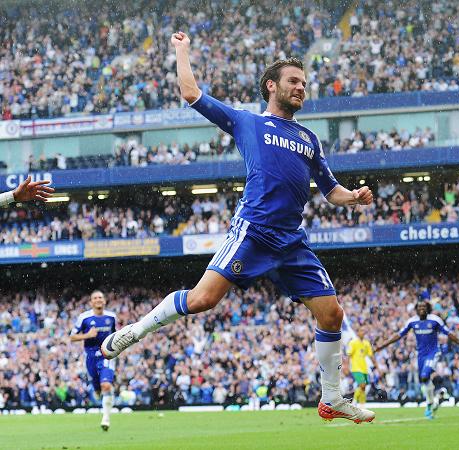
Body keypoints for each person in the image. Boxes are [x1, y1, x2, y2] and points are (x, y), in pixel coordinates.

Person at [101, 31, 375, 424]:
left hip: (292, 242)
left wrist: (354, 197)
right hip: (254, 231)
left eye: (304, 83)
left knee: (332, 315)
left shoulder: (309, 139)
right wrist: (182, 51)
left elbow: (331, 191)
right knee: (202, 300)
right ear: (271, 86)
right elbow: (191, 93)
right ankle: (137, 330)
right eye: (293, 81)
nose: (301, 88)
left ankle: (331, 398)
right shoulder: (248, 122)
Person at [376, 300, 459, 419]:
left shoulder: (435, 320)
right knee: (424, 380)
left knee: (424, 375)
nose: (422, 308)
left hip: (433, 352)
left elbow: (449, 334)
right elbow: (399, 335)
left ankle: (431, 401)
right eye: (419, 307)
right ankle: (435, 400)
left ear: (428, 308)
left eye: (424, 306)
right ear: (416, 309)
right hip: (421, 355)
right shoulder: (412, 321)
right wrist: (382, 346)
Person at [71, 291, 117, 431]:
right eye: (95, 298)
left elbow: (115, 335)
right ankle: (100, 391)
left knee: (106, 386)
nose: (98, 300)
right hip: (90, 357)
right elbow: (72, 337)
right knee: (97, 391)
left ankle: (106, 418)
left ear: (104, 301)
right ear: (91, 302)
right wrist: (87, 335)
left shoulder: (111, 317)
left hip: (106, 355)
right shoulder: (84, 318)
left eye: (100, 297)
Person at [347, 327, 378, 409]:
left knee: (363, 388)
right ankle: (354, 402)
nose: (363, 332)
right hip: (356, 368)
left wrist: (376, 365)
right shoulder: (353, 342)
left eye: (364, 331)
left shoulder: (366, 343)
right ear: (358, 333)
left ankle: (362, 405)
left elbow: (371, 355)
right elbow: (349, 354)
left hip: (364, 368)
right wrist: (346, 366)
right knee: (362, 385)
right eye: (361, 330)